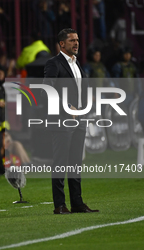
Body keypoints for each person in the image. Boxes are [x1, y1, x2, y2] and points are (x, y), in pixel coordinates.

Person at [43, 28, 99, 214]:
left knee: (75, 162)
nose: (76, 43)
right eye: (72, 40)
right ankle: (59, 205)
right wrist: (67, 106)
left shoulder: (77, 64)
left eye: (77, 40)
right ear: (61, 44)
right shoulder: (54, 63)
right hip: (62, 120)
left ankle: (77, 203)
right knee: (60, 162)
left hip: (80, 119)